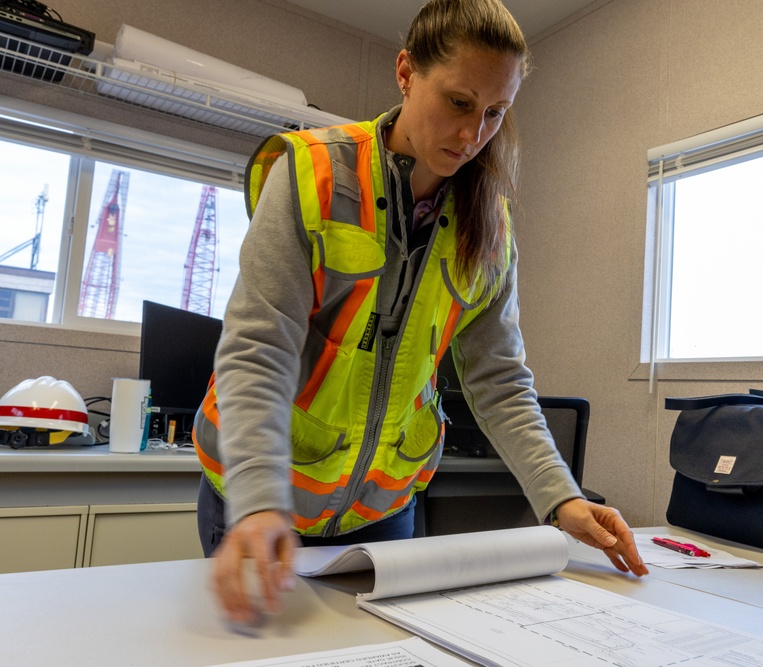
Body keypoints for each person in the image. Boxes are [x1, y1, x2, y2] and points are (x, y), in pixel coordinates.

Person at [192, 0, 647, 626]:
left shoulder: (490, 225)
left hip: (385, 510)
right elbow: (258, 350)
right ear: (406, 72)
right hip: (262, 498)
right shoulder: (310, 172)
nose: (473, 135)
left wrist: (561, 498)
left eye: (496, 113)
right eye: (459, 102)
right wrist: (259, 502)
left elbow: (501, 382)